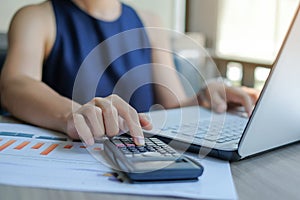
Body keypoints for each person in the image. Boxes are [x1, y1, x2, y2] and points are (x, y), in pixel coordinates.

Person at [0, 0, 258, 146]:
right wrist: (73, 113)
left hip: (141, 156)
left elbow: (173, 104)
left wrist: (204, 97)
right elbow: (15, 84)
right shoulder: (36, 18)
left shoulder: (150, 22)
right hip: (77, 158)